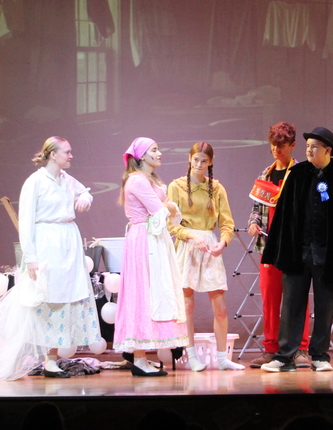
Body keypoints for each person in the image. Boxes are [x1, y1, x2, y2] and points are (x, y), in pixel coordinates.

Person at [261, 126, 333, 372]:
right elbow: (285, 216)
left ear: (328, 150)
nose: (309, 150)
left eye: (314, 147)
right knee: (291, 305)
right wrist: (277, 250)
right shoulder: (297, 174)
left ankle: (319, 355)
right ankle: (284, 356)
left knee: (324, 306)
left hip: (326, 255)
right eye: (308, 146)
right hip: (298, 253)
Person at [0, 137, 102, 381]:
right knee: (47, 299)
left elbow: (84, 192)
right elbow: (25, 222)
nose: (71, 156)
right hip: (47, 242)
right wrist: (31, 258)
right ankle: (44, 358)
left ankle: (52, 359)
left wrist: (85, 198)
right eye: (66, 152)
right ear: (53, 155)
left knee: (66, 298)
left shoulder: (66, 180)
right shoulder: (35, 181)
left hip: (68, 241)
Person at [113, 137, 189, 377]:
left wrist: (170, 207)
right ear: (142, 156)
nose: (159, 153)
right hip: (144, 240)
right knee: (143, 293)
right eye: (154, 150)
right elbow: (160, 210)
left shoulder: (150, 179)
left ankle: (141, 357)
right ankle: (139, 358)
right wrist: (172, 206)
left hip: (154, 238)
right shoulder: (137, 180)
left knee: (153, 292)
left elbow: (164, 209)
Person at [167, 142, 243, 371]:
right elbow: (171, 225)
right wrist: (190, 236)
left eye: (204, 160)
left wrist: (223, 242)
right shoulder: (176, 187)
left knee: (220, 307)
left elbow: (227, 223)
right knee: (186, 306)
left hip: (210, 247)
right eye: (195, 159)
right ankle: (191, 356)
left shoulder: (216, 188)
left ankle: (222, 358)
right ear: (189, 159)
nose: (199, 165)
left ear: (210, 162)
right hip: (187, 247)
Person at [246, 122, 311, 368]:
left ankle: (300, 350)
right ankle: (271, 349)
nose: (276, 150)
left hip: (294, 247)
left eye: (281, 146)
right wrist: (253, 223)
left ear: (293, 145)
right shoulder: (266, 173)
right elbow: (256, 208)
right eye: (273, 145)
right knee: (270, 300)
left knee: (297, 298)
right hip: (268, 246)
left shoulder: (302, 174)